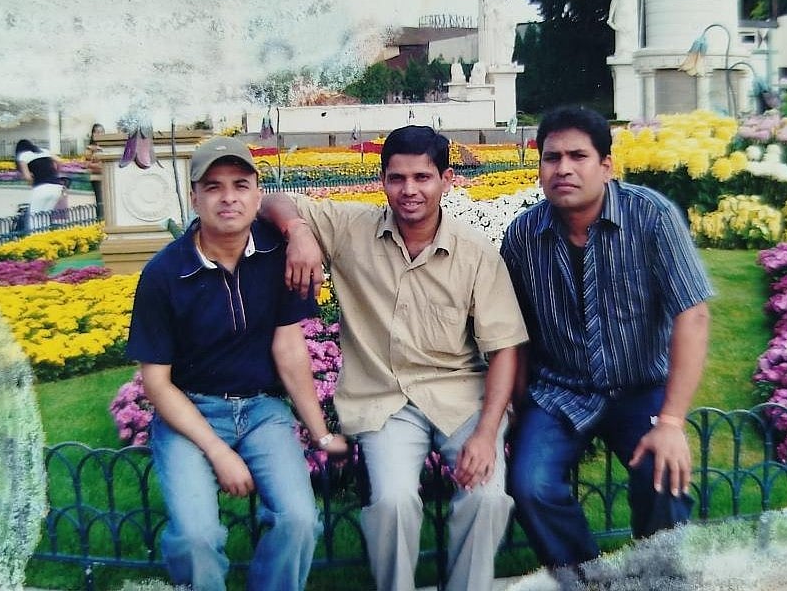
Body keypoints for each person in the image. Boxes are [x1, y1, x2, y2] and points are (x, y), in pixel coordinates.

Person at [260, 125, 528, 591]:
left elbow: (505, 347)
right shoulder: (351, 229)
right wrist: (299, 232)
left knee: (486, 498)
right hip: (383, 399)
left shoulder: (476, 253)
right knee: (391, 503)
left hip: (459, 396)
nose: (409, 190)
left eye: (423, 177)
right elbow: (271, 201)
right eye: (397, 178)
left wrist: (487, 434)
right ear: (381, 180)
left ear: (447, 180)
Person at [125, 136, 348, 591]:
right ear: (194, 197)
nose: (228, 197)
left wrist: (321, 433)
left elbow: (289, 347)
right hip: (192, 413)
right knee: (196, 537)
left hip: (262, 410)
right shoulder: (165, 274)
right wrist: (218, 451)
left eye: (240, 185)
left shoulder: (274, 253)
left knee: (300, 521)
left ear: (257, 194)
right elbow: (157, 383)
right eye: (213, 187)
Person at [500, 106, 712, 572]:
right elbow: (513, 332)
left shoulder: (651, 217)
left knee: (662, 478)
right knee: (531, 486)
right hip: (561, 391)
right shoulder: (524, 236)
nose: (563, 169)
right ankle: (590, 581)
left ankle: (659, 581)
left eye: (578, 156)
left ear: (606, 166)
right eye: (552, 157)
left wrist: (671, 421)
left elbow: (693, 314)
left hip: (641, 386)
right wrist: (515, 405)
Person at [14, 139, 64, 230]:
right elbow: (59, 160)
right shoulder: (44, 151)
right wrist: (56, 173)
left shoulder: (23, 156)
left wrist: (32, 183)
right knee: (46, 216)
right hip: (57, 187)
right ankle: (45, 236)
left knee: (34, 218)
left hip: (41, 187)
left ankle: (35, 237)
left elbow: (28, 177)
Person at [83, 123, 105, 219]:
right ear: (93, 134)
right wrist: (100, 166)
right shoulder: (90, 148)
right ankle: (101, 220)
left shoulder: (107, 146)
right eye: (97, 132)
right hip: (97, 178)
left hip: (108, 177)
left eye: (102, 132)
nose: (100, 134)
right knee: (100, 201)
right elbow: (86, 164)